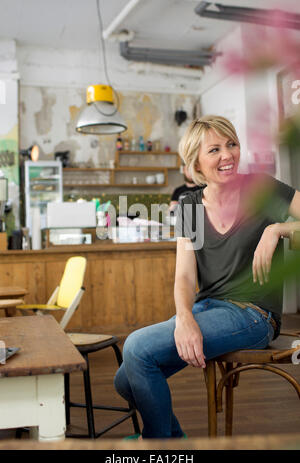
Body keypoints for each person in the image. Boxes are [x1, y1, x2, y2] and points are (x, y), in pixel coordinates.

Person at [114, 115, 300, 440]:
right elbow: (185, 278)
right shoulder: (190, 207)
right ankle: (173, 440)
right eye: (214, 149)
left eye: (231, 144)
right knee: (124, 380)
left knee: (136, 349)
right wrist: (184, 317)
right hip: (209, 309)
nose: (227, 155)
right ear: (196, 163)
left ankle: (160, 448)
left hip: (254, 314)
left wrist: (277, 229)